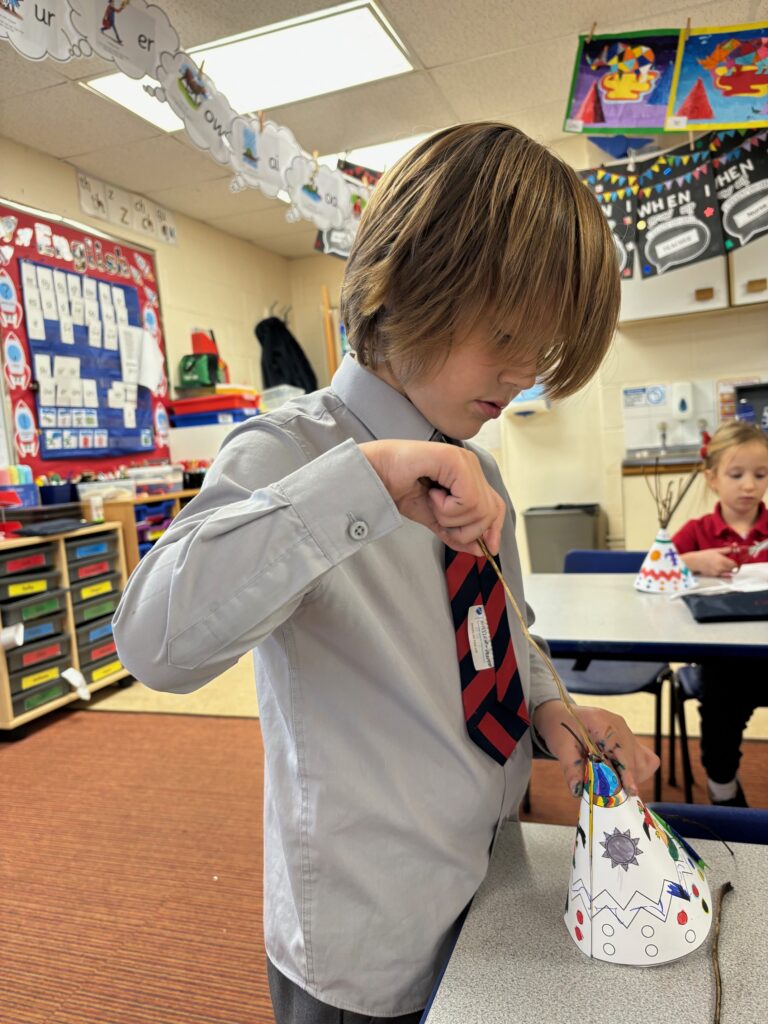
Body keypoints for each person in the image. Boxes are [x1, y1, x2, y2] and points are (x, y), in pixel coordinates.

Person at [113, 122, 659, 1024]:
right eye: (507, 335)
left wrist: (557, 712)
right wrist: (358, 485)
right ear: (413, 282)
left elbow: (501, 631)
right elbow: (154, 643)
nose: (522, 377)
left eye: (545, 351)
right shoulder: (287, 454)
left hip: (492, 878)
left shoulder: (476, 464)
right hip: (365, 936)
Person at [673, 420, 768, 808]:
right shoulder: (698, 531)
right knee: (720, 720)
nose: (749, 485)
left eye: (760, 474)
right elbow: (652, 572)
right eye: (736, 474)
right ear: (712, 478)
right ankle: (723, 788)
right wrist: (693, 561)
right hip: (723, 660)